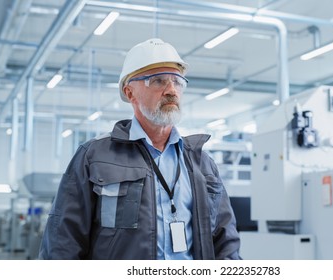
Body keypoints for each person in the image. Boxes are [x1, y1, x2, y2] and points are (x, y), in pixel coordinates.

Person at [39, 38, 241, 260]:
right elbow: (62, 243)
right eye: (158, 81)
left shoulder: (202, 163)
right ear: (130, 93)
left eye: (177, 81)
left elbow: (225, 240)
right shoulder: (95, 157)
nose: (171, 90)